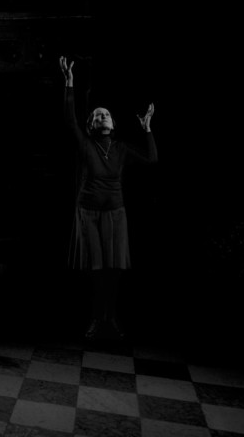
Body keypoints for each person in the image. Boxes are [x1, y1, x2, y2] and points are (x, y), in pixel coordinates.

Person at [59, 56, 158, 340]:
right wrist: (69, 83)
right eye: (97, 115)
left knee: (114, 270)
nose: (102, 116)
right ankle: (95, 319)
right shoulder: (86, 144)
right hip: (88, 212)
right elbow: (70, 121)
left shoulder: (121, 148)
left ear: (113, 123)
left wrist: (147, 128)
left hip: (115, 212)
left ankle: (110, 318)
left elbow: (152, 159)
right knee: (96, 269)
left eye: (106, 114)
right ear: (91, 124)